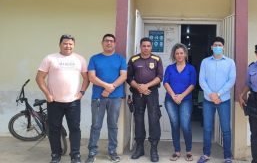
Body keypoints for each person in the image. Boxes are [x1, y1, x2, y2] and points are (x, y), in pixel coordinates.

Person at [36, 34, 89, 163]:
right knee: (54, 129)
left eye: (70, 44)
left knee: (75, 129)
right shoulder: (50, 58)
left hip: (73, 102)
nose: (68, 46)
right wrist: (47, 94)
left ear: (74, 45)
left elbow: (86, 78)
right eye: (65, 43)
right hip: (54, 101)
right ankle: (56, 154)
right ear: (60, 44)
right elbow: (39, 78)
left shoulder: (80, 59)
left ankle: (75, 155)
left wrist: (82, 92)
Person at [85, 34, 127, 163]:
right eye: (106, 41)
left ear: (114, 43)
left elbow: (124, 76)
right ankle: (92, 152)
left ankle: (112, 151)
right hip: (98, 97)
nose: (109, 43)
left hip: (115, 98)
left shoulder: (120, 59)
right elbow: (91, 77)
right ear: (102, 43)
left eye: (111, 41)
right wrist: (106, 86)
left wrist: (111, 88)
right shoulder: (94, 58)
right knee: (96, 125)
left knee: (113, 125)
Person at [197, 37, 236, 163]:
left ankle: (227, 156)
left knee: (225, 129)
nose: (217, 46)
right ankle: (206, 154)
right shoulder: (205, 62)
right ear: (211, 47)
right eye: (215, 45)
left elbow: (231, 81)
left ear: (223, 47)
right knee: (207, 128)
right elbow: (202, 80)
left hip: (223, 100)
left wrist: (218, 94)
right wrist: (211, 95)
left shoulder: (230, 62)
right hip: (208, 100)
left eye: (220, 45)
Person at [127, 37, 164, 162]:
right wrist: (138, 87)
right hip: (137, 93)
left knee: (154, 119)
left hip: (152, 92)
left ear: (151, 47)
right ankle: (140, 148)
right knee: (138, 120)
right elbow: (128, 77)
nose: (146, 48)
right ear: (140, 46)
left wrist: (146, 86)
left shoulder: (157, 59)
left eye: (148, 46)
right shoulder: (133, 59)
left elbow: (160, 76)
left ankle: (154, 149)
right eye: (144, 46)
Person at [164, 43, 196, 162]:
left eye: (181, 53)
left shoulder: (191, 68)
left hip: (186, 100)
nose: (179, 55)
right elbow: (166, 82)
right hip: (170, 100)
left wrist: (181, 96)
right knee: (175, 125)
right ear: (174, 55)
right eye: (177, 53)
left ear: (185, 54)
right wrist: (173, 95)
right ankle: (177, 151)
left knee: (185, 125)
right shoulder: (170, 68)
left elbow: (192, 84)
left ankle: (188, 151)